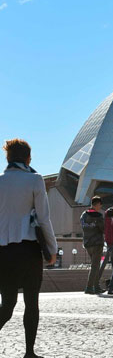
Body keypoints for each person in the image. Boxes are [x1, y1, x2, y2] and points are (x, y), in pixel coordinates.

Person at [0, 139, 57, 358]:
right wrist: (52, 249)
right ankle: (29, 353)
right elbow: (44, 218)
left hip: (3, 250)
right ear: (28, 158)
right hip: (28, 249)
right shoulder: (35, 180)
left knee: (8, 304)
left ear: (8, 158)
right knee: (31, 302)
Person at [80, 196, 105, 294]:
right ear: (98, 204)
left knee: (94, 265)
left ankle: (96, 286)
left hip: (87, 243)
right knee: (95, 266)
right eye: (100, 205)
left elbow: (83, 227)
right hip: (97, 243)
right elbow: (103, 228)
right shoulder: (98, 216)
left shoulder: (83, 215)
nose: (100, 207)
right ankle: (90, 287)